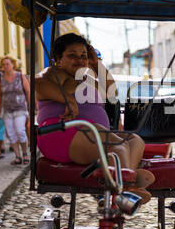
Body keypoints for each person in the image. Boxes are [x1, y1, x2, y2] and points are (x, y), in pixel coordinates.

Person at [35, 33, 155, 203]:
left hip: (87, 133)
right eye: (72, 55)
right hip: (60, 133)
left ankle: (126, 181)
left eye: (83, 56)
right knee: (118, 147)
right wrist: (68, 100)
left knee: (135, 140)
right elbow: (38, 84)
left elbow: (112, 92)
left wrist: (96, 64)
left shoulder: (87, 78)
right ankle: (126, 190)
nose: (79, 59)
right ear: (58, 60)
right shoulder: (57, 73)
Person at [0, 55, 31, 165]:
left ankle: (25, 153)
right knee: (11, 134)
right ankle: (17, 156)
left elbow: (28, 91)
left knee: (20, 130)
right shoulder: (0, 78)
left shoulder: (20, 76)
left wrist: (31, 107)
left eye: (7, 64)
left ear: (13, 65)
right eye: (3, 64)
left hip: (20, 108)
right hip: (7, 110)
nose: (5, 66)